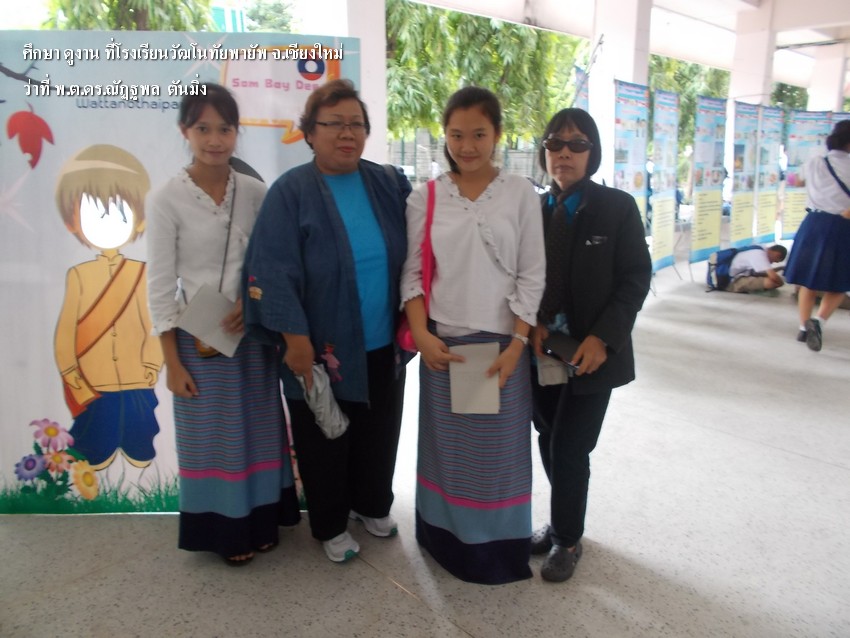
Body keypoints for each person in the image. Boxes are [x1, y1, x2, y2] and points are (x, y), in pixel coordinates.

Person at [242, 79, 411, 564]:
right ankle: (332, 524)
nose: (347, 133)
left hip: (382, 341)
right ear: (310, 133)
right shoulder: (291, 192)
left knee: (379, 430)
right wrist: (295, 341)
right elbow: (271, 271)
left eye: (356, 124)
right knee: (324, 436)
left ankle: (371, 505)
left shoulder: (386, 183)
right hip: (318, 349)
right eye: (334, 124)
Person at [146, 83, 300, 566]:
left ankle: (261, 522)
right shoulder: (166, 199)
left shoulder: (255, 192)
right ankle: (225, 532)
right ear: (185, 131)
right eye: (203, 128)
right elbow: (160, 286)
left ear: (237, 132)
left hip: (252, 337)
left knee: (258, 430)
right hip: (199, 341)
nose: (215, 140)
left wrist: (255, 303)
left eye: (225, 128)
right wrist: (172, 363)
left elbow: (273, 263)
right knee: (214, 439)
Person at [400, 86, 546, 584]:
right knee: (450, 455)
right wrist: (421, 333)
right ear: (445, 135)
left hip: (500, 349)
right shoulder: (426, 197)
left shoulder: (520, 193)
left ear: (497, 135)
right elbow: (412, 273)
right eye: (457, 135)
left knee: (496, 458)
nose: (467, 146)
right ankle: (445, 541)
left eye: (479, 134)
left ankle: (494, 552)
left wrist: (518, 344)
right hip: (446, 347)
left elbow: (532, 273)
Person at [530, 108, 652, 583]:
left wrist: (603, 338)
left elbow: (635, 278)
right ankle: (562, 520)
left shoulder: (616, 207)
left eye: (577, 144)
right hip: (542, 349)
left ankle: (567, 539)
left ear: (592, 153)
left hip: (591, 354)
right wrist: (531, 325)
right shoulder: (535, 209)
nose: (565, 152)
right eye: (555, 143)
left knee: (570, 445)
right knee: (546, 435)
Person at [784, 119, 850, 351]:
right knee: (840, 282)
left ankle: (804, 328)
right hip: (843, 226)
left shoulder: (815, 161)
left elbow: (795, 181)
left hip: (813, 223)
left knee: (808, 280)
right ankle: (818, 321)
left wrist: (789, 177)